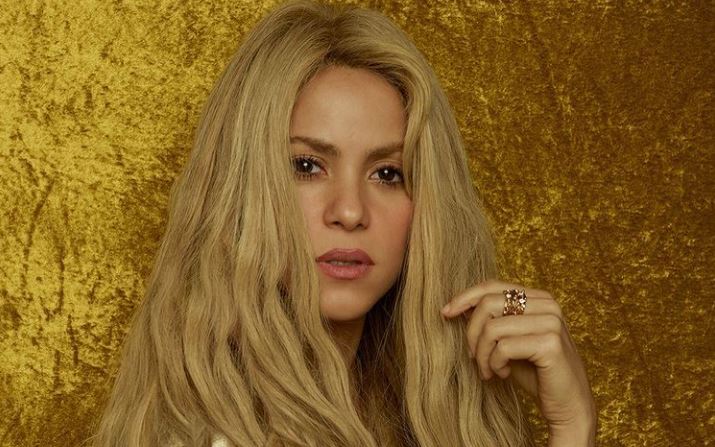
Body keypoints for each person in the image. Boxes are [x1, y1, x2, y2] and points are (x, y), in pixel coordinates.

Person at [93, 1, 597, 446]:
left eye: (388, 173)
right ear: (240, 189)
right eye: (307, 166)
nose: (351, 212)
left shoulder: (409, 413)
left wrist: (572, 422)